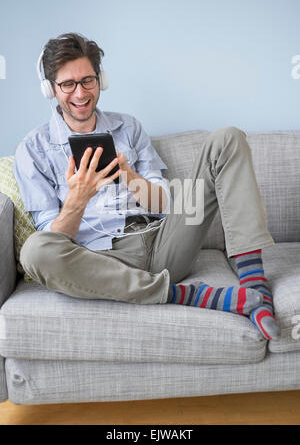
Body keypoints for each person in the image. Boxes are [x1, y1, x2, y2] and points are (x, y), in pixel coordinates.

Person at [13, 33, 280, 341]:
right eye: (68, 84)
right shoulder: (32, 149)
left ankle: (255, 284)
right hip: (101, 262)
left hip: (162, 242)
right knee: (35, 251)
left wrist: (131, 177)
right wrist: (77, 199)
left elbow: (163, 204)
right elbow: (53, 240)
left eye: (88, 80)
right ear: (50, 89)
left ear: (102, 80)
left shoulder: (129, 127)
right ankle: (184, 294)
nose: (80, 93)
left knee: (227, 138)